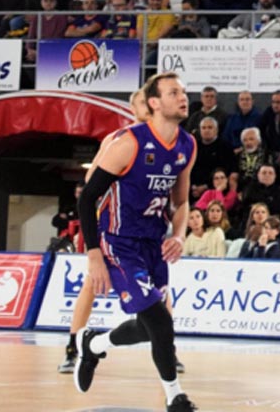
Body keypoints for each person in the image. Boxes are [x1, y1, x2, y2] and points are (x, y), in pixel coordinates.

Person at [72, 73, 197, 412]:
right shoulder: (127, 142)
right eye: (174, 92)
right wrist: (94, 255)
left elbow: (182, 202)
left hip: (154, 243)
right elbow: (88, 199)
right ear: (154, 103)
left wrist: (178, 235)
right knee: (160, 320)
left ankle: (94, 342)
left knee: (148, 327)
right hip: (119, 241)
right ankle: (176, 397)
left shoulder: (187, 145)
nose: (183, 97)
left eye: (183, 91)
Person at [57, 89, 150, 374]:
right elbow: (90, 180)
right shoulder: (118, 139)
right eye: (145, 103)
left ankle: (166, 344)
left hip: (146, 224)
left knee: (160, 286)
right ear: (136, 109)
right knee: (92, 283)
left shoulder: (168, 143)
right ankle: (74, 345)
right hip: (115, 223)